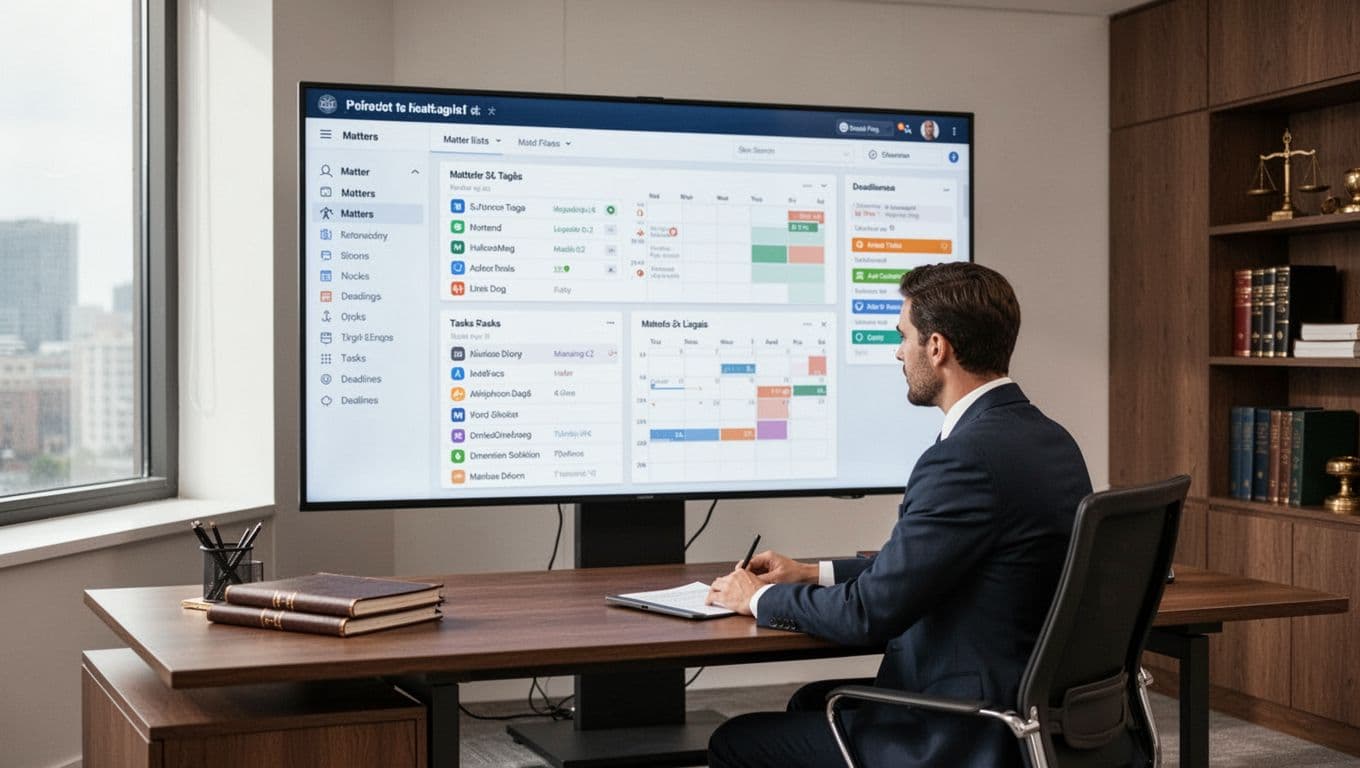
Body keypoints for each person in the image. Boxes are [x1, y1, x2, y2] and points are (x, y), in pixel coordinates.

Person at [705, 261, 1092, 768]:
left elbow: (868, 614)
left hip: (966, 728)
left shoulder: (964, 458)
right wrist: (812, 573)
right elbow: (930, 562)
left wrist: (759, 599)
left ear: (937, 347)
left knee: (735, 741)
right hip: (1032, 708)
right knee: (811, 702)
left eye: (902, 335)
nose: (897, 350)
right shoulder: (1048, 438)